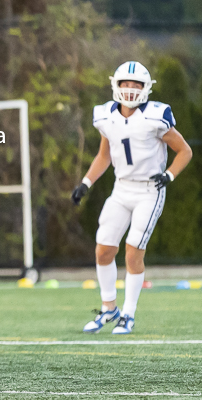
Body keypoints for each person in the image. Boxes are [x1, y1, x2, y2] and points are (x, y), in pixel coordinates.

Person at [72, 61, 192, 334]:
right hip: (121, 188)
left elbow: (184, 151)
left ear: (146, 88)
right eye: (125, 83)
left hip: (149, 190)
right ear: (116, 84)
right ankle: (108, 308)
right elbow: (105, 155)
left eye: (136, 84)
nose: (130, 89)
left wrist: (169, 175)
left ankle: (129, 313)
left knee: (133, 252)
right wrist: (86, 183)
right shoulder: (106, 117)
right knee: (103, 249)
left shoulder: (156, 117)